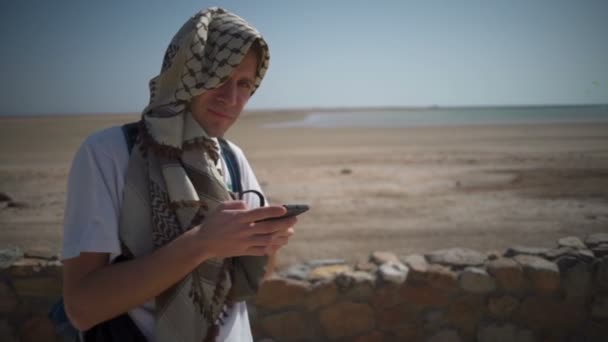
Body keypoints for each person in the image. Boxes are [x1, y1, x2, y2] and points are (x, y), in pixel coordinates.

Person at [60, 7, 296, 342]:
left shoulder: (230, 158)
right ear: (184, 72)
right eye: (217, 77)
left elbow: (250, 282)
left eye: (244, 84)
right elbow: (82, 308)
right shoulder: (109, 153)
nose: (230, 98)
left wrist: (267, 241)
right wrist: (201, 244)